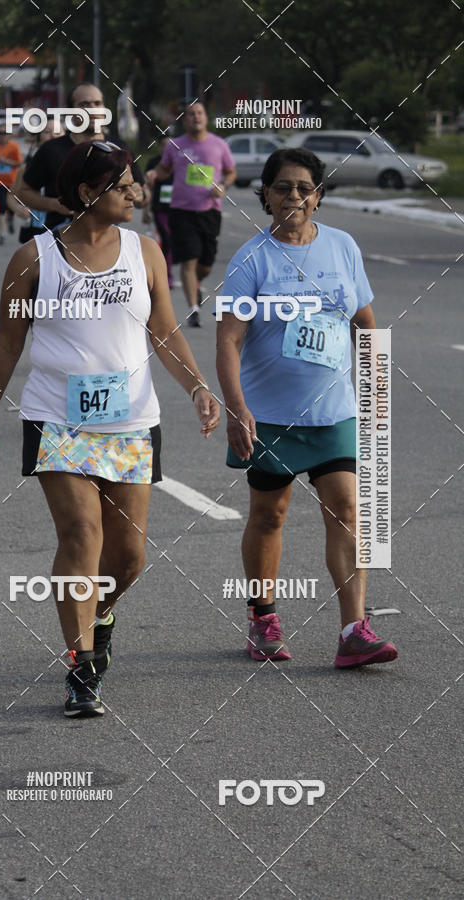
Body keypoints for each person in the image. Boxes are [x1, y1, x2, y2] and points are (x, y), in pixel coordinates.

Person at [0, 141, 219, 716]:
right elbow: (8, 343)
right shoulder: (35, 259)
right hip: (58, 418)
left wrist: (199, 388)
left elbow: (164, 333)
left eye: (135, 182)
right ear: (87, 193)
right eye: (124, 184)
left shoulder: (146, 252)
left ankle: (99, 613)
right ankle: (80, 666)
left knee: (129, 555)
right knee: (82, 535)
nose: (137, 191)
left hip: (131, 420)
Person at [216, 147, 397, 669]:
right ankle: (263, 620)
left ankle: (353, 630)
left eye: (304, 187)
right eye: (283, 187)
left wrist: (377, 384)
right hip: (270, 415)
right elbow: (229, 340)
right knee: (269, 515)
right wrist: (236, 407)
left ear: (318, 196)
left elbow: (364, 320)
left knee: (346, 510)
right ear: (266, 196)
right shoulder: (253, 259)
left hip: (334, 411)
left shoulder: (342, 247)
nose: (294, 196)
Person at [147, 102, 236, 327]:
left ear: (206, 117)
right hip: (181, 211)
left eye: (199, 113)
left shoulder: (219, 145)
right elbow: (164, 169)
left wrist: (223, 186)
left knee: (205, 264)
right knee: (188, 259)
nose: (195, 117)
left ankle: (196, 282)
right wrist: (153, 174)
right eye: (190, 114)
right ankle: (193, 309)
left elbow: (230, 171)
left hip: (209, 212)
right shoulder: (175, 146)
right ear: (184, 120)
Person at [17, 82, 149, 232]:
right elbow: (24, 192)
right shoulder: (51, 149)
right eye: (84, 104)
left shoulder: (119, 149)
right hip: (61, 238)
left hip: (109, 240)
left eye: (97, 103)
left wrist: (141, 195)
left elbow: (143, 193)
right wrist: (53, 204)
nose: (92, 109)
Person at [7, 118, 56, 243]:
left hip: (63, 228)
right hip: (35, 230)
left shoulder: (73, 166)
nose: (52, 136)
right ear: (39, 137)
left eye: (57, 132)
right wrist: (18, 208)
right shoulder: (27, 167)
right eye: (47, 132)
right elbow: (11, 196)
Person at [144, 135, 174, 288]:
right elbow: (147, 188)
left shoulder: (180, 162)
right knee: (166, 239)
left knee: (175, 241)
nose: (167, 148)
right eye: (164, 145)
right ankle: (166, 275)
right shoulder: (154, 163)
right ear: (160, 147)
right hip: (160, 208)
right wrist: (145, 210)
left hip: (179, 209)